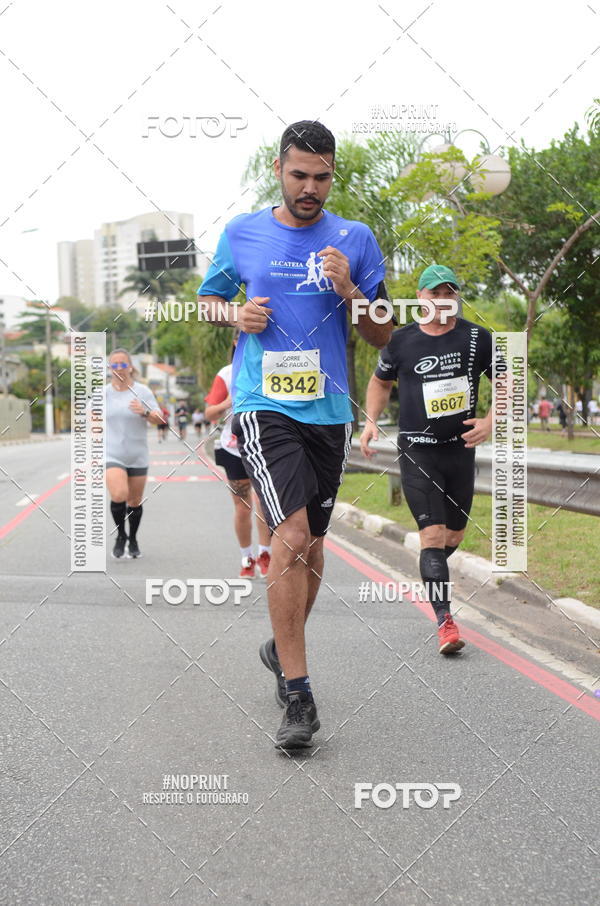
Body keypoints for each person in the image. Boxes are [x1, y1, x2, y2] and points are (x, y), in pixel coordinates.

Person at [198, 120, 391, 748]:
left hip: (328, 412)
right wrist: (234, 312)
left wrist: (352, 290)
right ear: (279, 170)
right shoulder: (244, 233)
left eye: (322, 176)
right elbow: (207, 300)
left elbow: (383, 334)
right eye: (299, 174)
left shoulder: (355, 239)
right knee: (292, 533)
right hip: (263, 405)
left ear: (333, 174)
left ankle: (280, 649)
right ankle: (300, 698)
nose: (310, 187)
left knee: (313, 546)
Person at [361, 264, 493, 655]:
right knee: (433, 535)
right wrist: (370, 422)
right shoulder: (400, 341)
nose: (443, 300)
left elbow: (506, 381)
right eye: (435, 293)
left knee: (452, 537)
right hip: (417, 449)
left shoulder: (477, 337)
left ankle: (430, 565)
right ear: (421, 297)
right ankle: (445, 622)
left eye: (450, 293)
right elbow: (379, 382)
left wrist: (490, 420)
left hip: (459, 450)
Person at [205, 333, 272, 579]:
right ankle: (247, 558)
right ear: (235, 342)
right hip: (233, 447)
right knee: (243, 507)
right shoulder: (226, 373)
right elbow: (209, 413)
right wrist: (227, 403)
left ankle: (265, 555)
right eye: (244, 336)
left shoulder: (271, 365)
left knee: (265, 504)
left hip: (266, 445)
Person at [104, 348, 164, 559]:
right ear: (110, 368)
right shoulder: (102, 393)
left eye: (123, 364)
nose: (119, 368)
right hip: (112, 454)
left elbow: (160, 419)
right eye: (115, 365)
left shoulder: (143, 391)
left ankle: (133, 538)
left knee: (134, 501)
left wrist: (145, 412)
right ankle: (120, 535)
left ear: (130, 367)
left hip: (138, 454)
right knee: (119, 494)